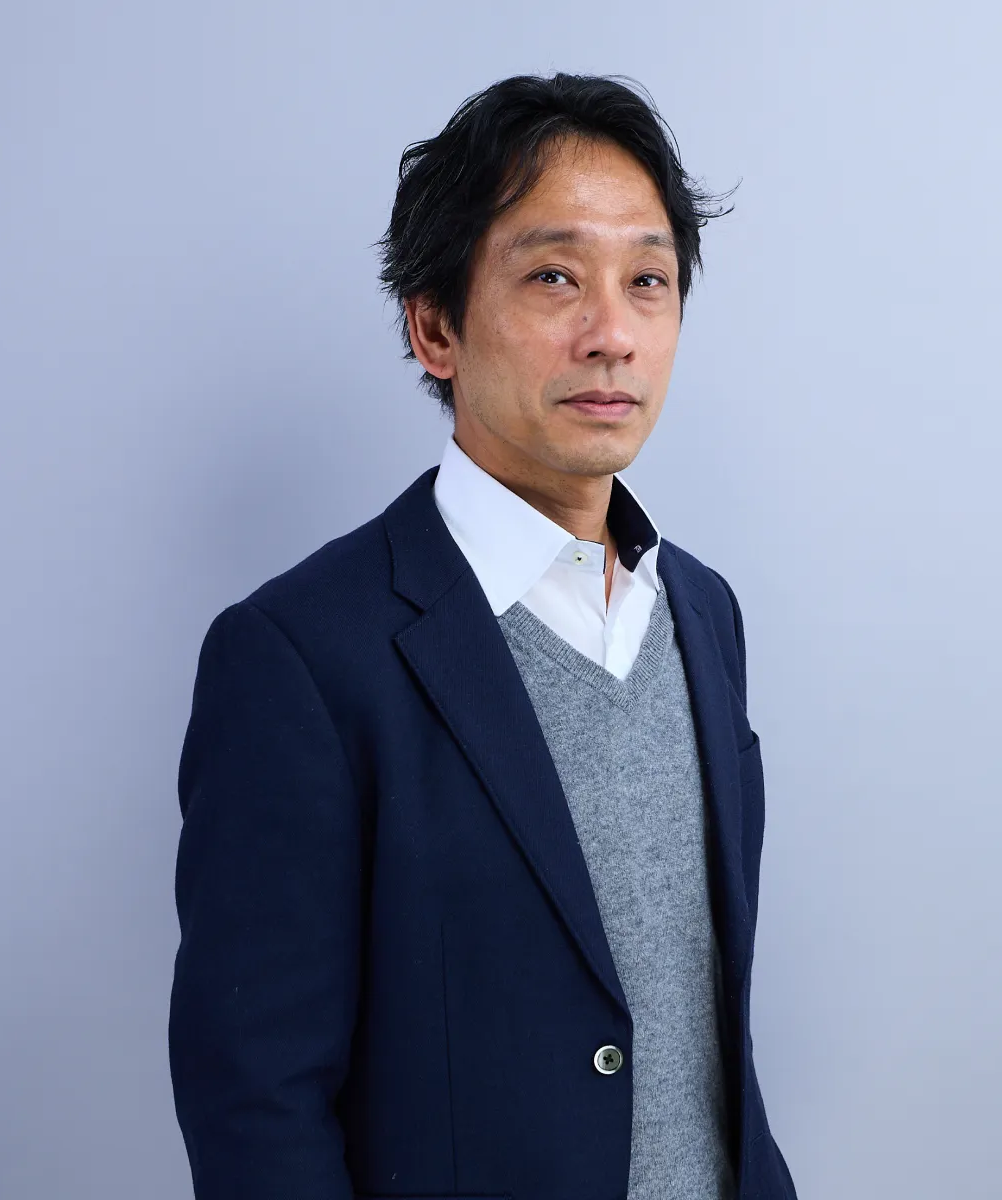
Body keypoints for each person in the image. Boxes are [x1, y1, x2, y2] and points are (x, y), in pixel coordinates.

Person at [168, 71, 799, 1200]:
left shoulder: (702, 614)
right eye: (554, 276)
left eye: (647, 281)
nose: (612, 335)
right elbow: (256, 1102)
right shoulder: (303, 658)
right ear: (435, 326)